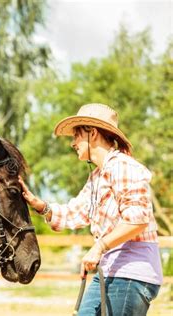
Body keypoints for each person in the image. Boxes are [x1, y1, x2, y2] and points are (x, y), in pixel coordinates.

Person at [18, 103, 163, 315]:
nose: (72, 143)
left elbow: (137, 220)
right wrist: (41, 206)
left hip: (131, 274)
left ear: (92, 133)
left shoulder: (123, 167)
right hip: (111, 270)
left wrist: (99, 247)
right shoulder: (97, 177)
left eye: (76, 136)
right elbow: (75, 213)